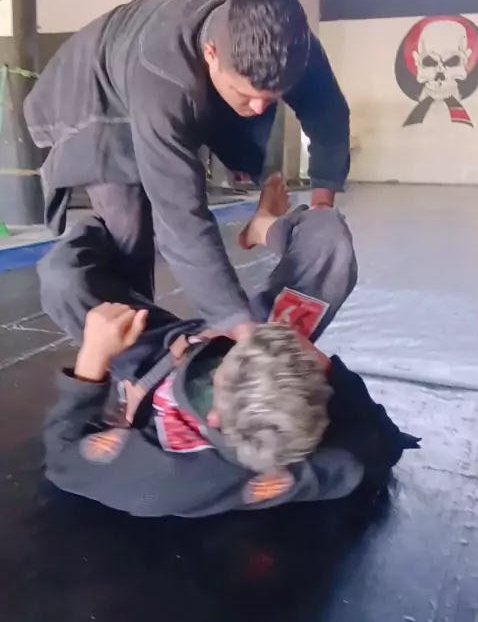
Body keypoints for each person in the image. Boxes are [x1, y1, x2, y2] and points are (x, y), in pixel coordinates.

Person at [40, 176, 419, 518]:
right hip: (263, 339)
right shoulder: (310, 457)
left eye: (216, 369)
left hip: (149, 362)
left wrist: (92, 364)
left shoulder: (167, 476)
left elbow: (62, 459)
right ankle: (264, 226)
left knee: (62, 280)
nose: (219, 346)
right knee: (328, 240)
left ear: (214, 418)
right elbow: (382, 444)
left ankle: (108, 222)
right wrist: (318, 362)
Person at [25, 0, 350, 340]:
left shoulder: (293, 45)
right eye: (245, 94)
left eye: (271, 98)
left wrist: (322, 206)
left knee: (326, 232)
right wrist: (234, 323)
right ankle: (141, 345)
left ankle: (262, 229)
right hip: (97, 91)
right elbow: (180, 217)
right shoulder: (162, 75)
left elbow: (329, 115)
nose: (259, 108)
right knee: (129, 229)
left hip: (180, 78)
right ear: (211, 54)